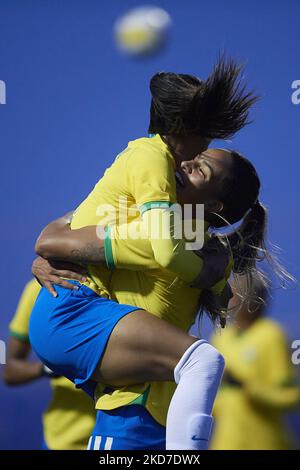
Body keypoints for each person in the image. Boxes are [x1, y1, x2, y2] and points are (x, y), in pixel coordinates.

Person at [29, 56, 260, 450]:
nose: (187, 162)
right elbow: (52, 239)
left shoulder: (194, 239)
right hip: (126, 407)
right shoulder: (164, 222)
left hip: (158, 406)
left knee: (200, 362)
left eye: (200, 170)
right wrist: (44, 257)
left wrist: (213, 274)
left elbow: (57, 239)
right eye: (197, 153)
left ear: (215, 207)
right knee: (204, 360)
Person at [3, 279, 96, 450]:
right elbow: (10, 371)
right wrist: (47, 368)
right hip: (64, 441)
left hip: (126, 437)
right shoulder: (39, 289)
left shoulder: (129, 284)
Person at [210, 275, 300, 450]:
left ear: (255, 300)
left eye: (235, 294)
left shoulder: (272, 336)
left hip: (265, 443)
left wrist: (247, 387)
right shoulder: (221, 337)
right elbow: (215, 398)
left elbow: (291, 396)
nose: (229, 299)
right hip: (226, 444)